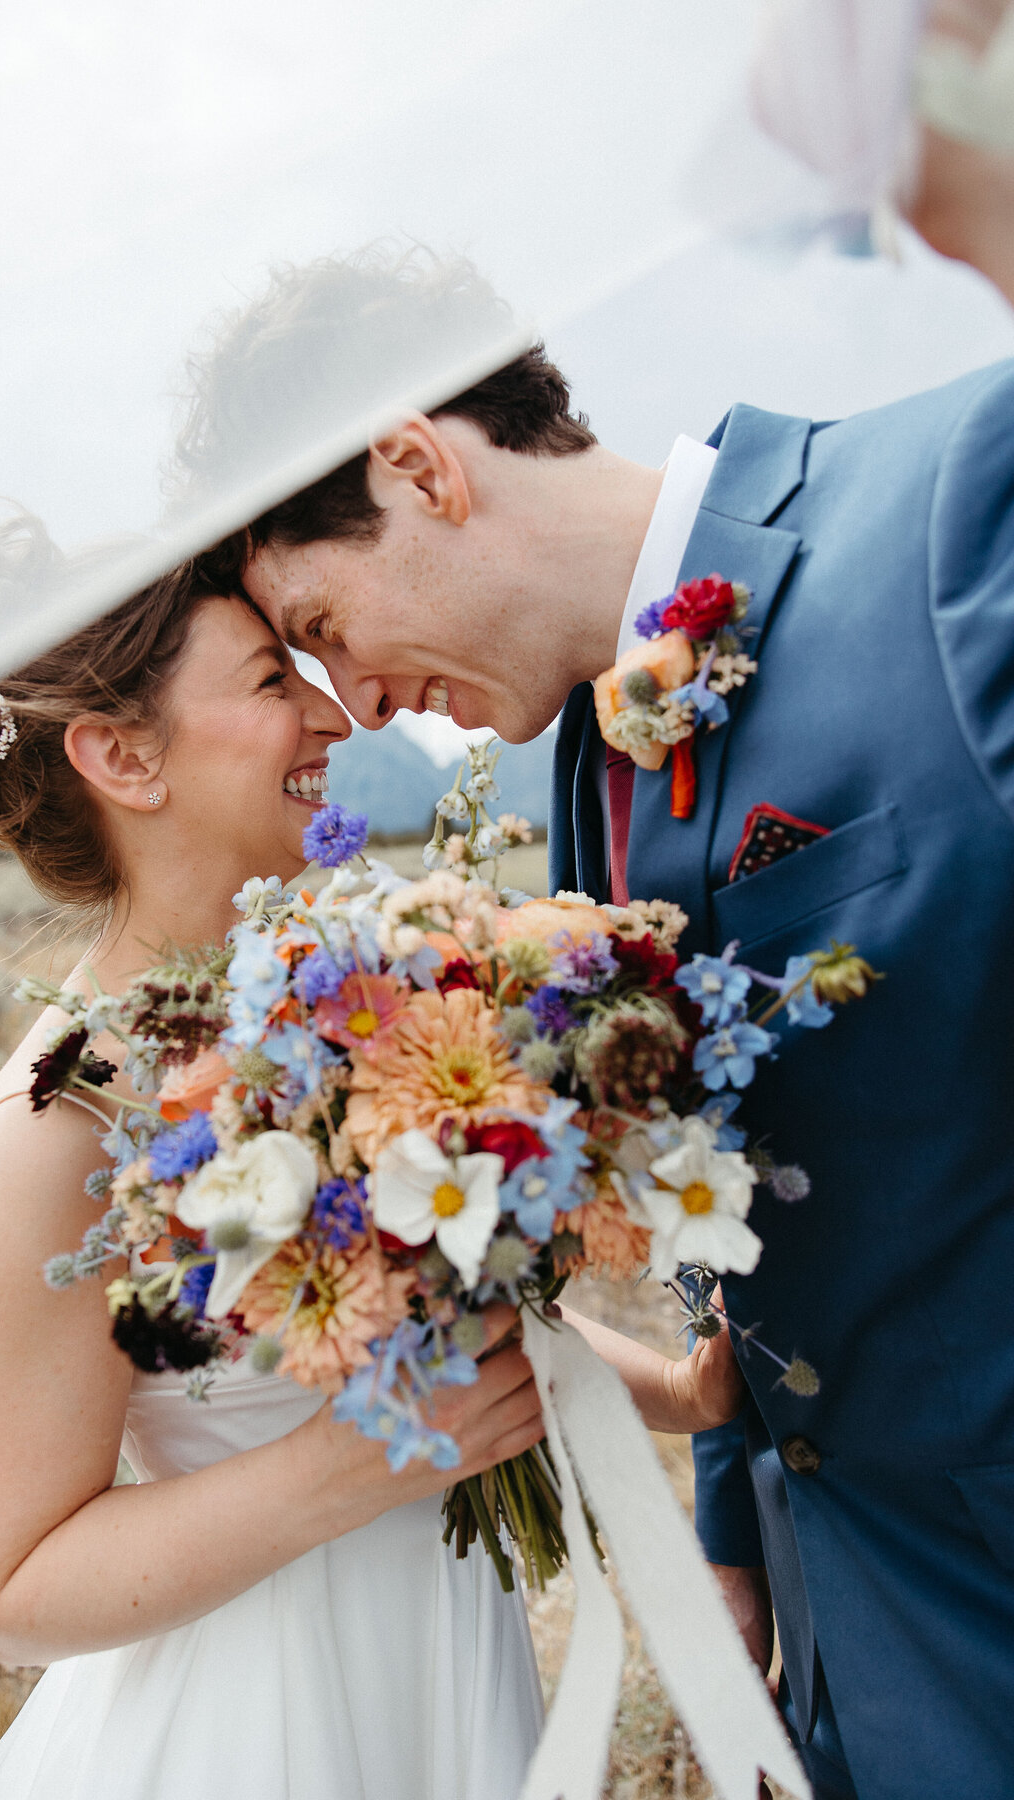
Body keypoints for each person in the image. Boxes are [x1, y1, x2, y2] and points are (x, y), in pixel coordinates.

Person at [195, 251, 1014, 1800]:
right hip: (855, 1625)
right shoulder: (581, 778)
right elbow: (729, 1185)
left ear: (419, 463)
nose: (361, 708)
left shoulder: (959, 497)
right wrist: (733, 1521)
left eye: (325, 620)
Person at [0, 515, 742, 1800]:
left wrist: (680, 1399)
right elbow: (12, 1588)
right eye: (268, 681)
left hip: (441, 1665)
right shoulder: (47, 1143)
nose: (335, 721)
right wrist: (348, 1467)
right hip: (266, 1732)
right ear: (124, 756)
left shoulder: (336, 995)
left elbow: (448, 1317)